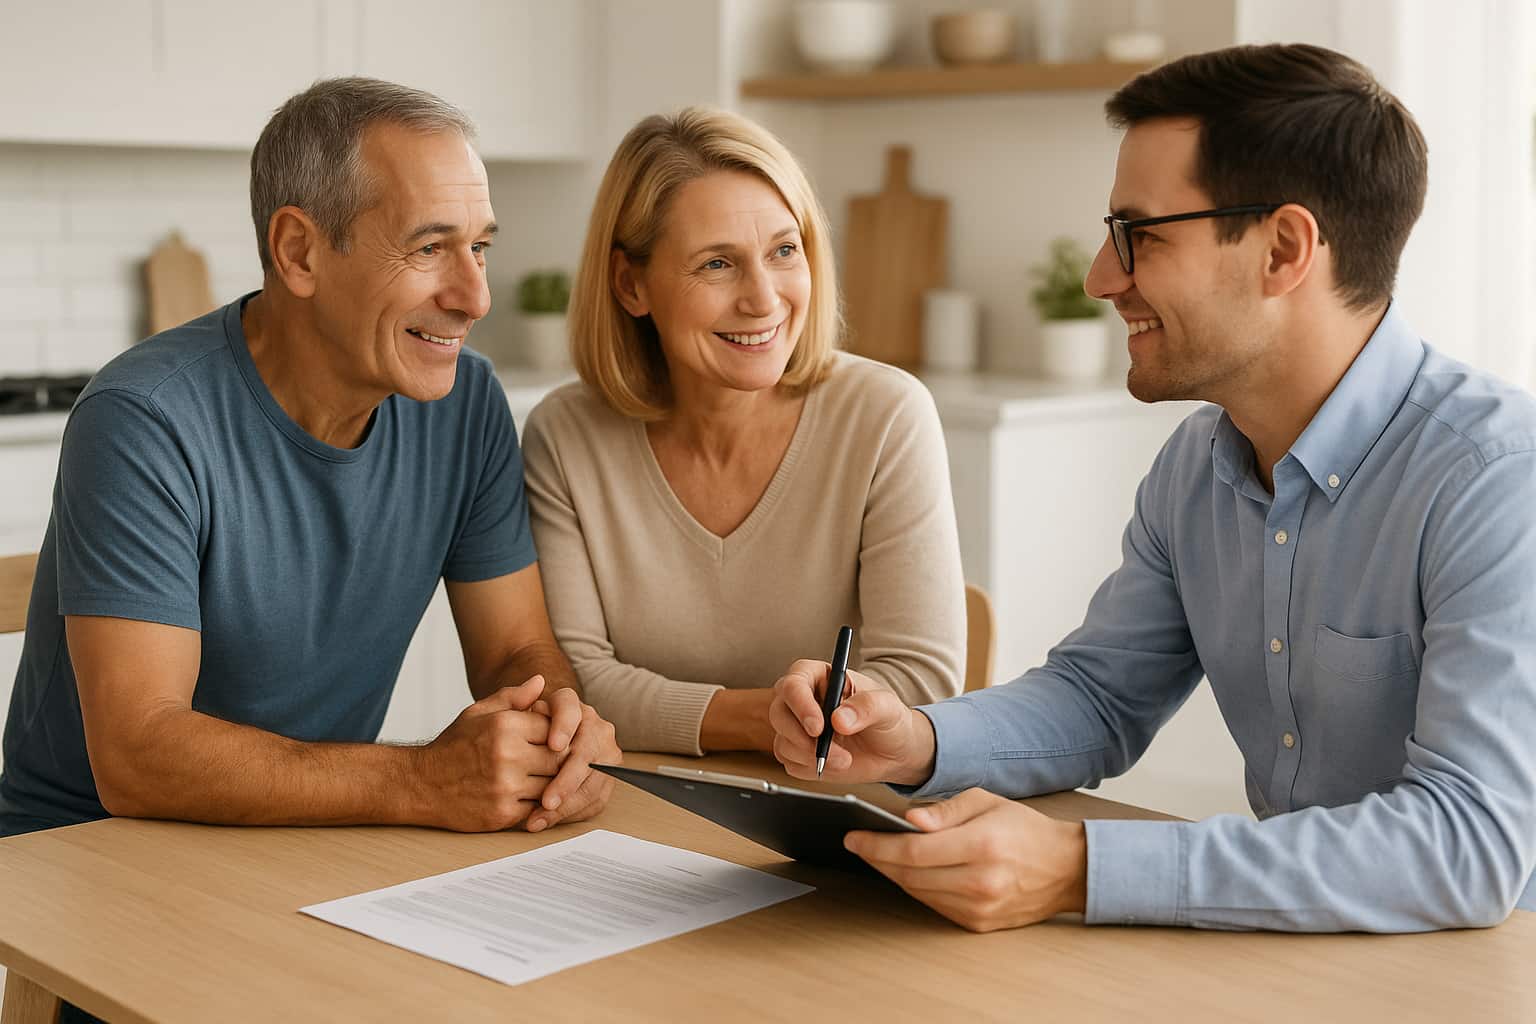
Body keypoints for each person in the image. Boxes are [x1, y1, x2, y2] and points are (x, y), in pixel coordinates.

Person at [770, 43, 1536, 933]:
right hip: (1303, 962)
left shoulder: (1497, 481)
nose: (1102, 277)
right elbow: (1099, 697)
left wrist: (1079, 867)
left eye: (1141, 235)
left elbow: (1473, 843)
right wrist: (916, 739)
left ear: (1284, 249)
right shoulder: (1195, 466)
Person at [0, 78, 619, 844]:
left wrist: (559, 727)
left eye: (480, 247)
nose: (475, 295)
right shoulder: (144, 418)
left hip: (311, 835)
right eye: (430, 247)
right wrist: (423, 779)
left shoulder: (466, 404)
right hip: (92, 851)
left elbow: (514, 649)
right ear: (299, 252)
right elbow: (138, 755)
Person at [521, 107, 965, 757]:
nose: (764, 298)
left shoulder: (885, 415)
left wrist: (676, 712)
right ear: (630, 283)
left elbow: (921, 687)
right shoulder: (566, 436)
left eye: (785, 251)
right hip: (635, 803)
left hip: (827, 803)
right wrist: (766, 719)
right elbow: (577, 685)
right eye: (717, 265)